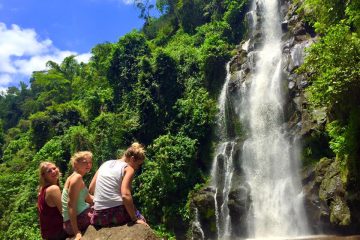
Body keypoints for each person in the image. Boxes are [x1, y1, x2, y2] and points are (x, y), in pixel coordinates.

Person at [89, 142, 148, 228]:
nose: (137, 168)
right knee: (141, 219)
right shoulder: (128, 169)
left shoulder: (105, 164)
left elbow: (91, 188)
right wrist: (135, 219)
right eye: (138, 164)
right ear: (132, 159)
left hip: (98, 216)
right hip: (116, 214)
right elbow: (125, 195)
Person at [62, 151, 94, 240]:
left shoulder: (72, 177)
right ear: (75, 164)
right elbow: (70, 205)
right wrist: (77, 232)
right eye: (85, 162)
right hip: (78, 220)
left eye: (90, 162)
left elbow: (89, 198)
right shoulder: (76, 178)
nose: (88, 165)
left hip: (71, 221)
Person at [37, 162, 67, 240]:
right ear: (44, 176)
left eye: (54, 168)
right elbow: (65, 212)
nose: (53, 171)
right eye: (49, 171)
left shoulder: (42, 190)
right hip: (58, 233)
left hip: (49, 234)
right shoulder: (53, 189)